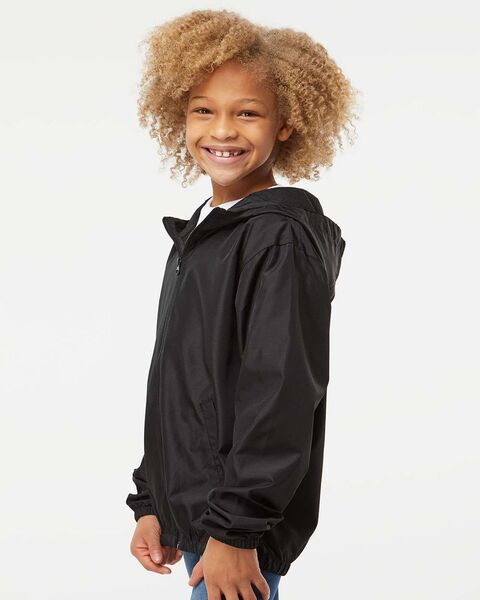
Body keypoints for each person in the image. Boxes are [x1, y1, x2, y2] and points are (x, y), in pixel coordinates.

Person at [125, 9, 359, 600]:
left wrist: (235, 530)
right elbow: (179, 382)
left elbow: (280, 392)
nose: (222, 130)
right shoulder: (206, 231)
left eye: (248, 113)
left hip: (235, 533)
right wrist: (154, 500)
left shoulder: (277, 238)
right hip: (202, 521)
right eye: (203, 110)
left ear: (286, 124)